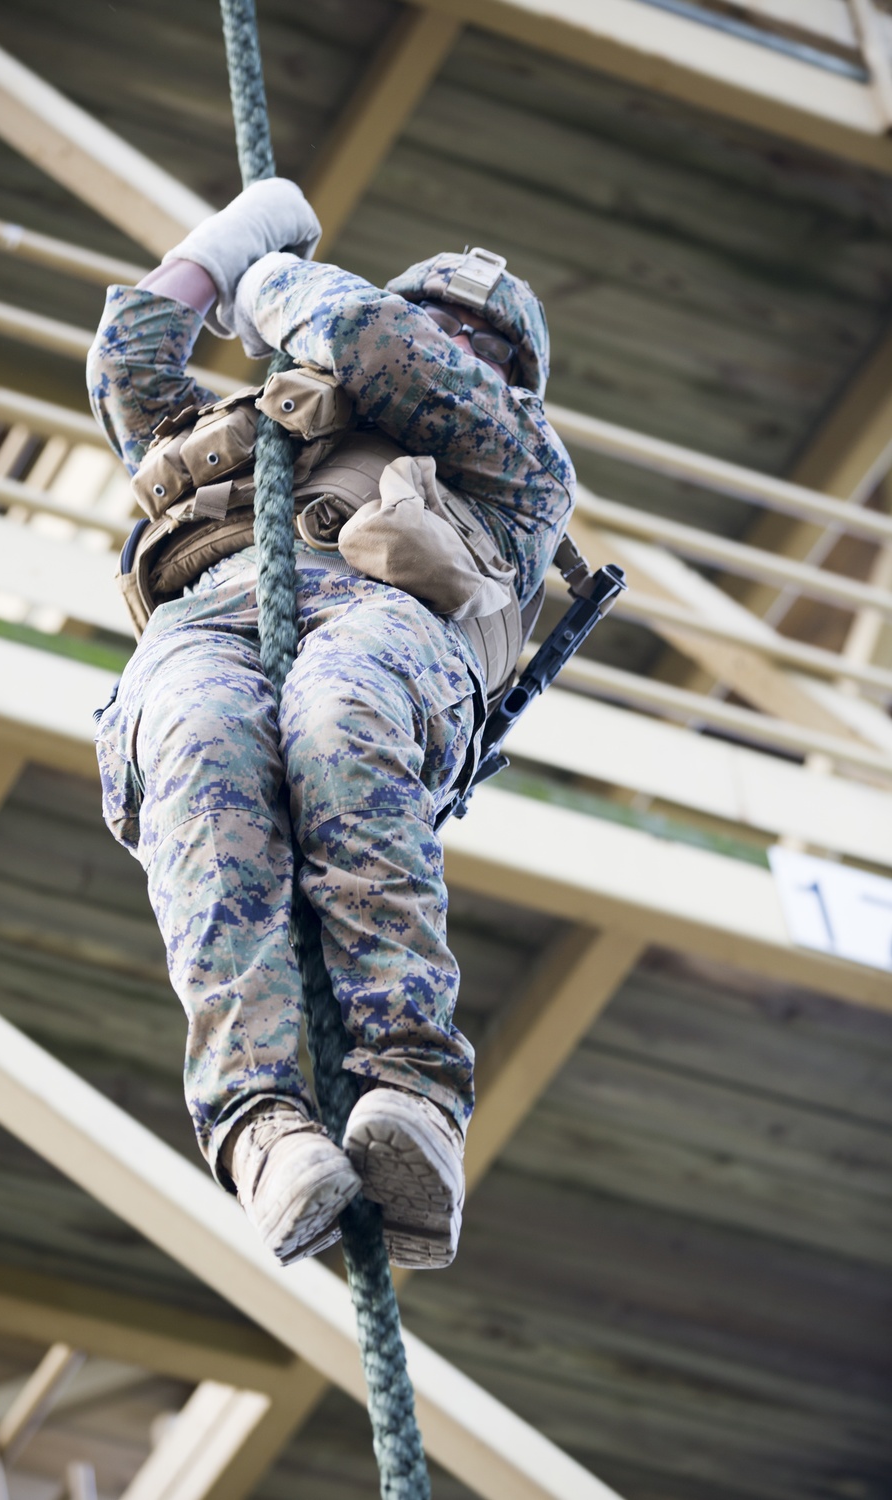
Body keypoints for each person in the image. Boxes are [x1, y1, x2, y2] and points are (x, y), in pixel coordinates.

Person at [87, 178, 574, 1270]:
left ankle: (411, 1093)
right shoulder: (266, 425)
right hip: (213, 625)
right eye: (442, 319)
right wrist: (220, 250)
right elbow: (126, 367)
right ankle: (259, 1123)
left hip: (385, 635)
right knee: (197, 739)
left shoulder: (521, 470)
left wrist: (268, 280)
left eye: (480, 342)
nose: (454, 343)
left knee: (336, 716)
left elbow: (367, 335)